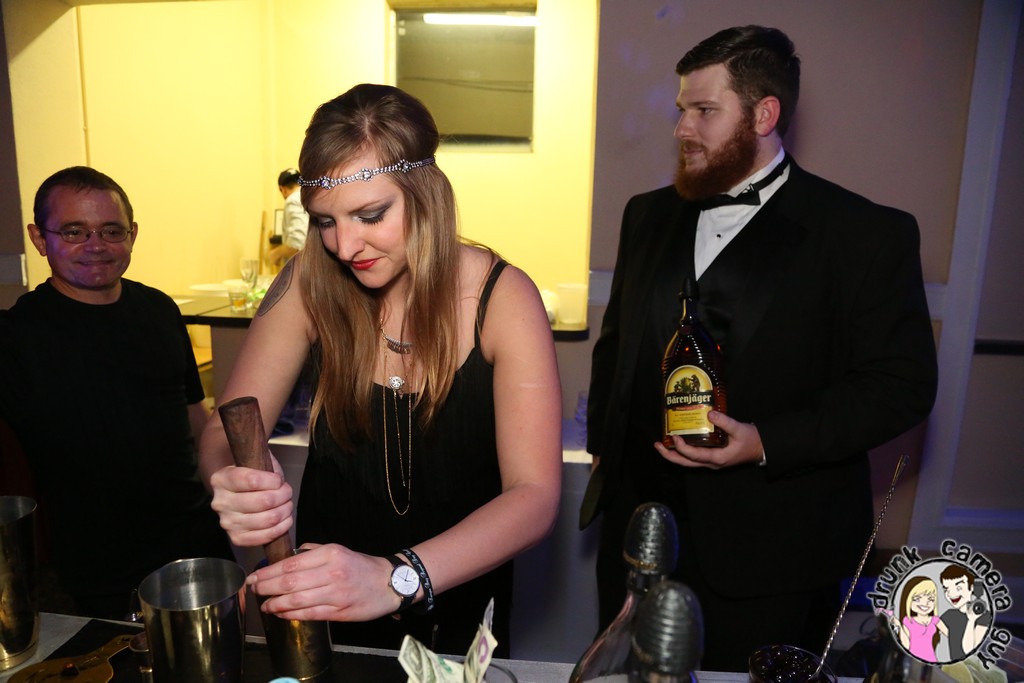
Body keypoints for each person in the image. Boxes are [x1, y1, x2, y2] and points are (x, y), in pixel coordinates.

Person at [580, 25, 938, 671]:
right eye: (681, 110)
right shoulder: (646, 215)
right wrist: (608, 452)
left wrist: (764, 441)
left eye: (704, 111)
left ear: (764, 114)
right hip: (640, 538)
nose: (682, 129)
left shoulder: (864, 233)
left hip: (776, 548)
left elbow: (900, 386)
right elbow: (617, 347)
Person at [198, 83, 562, 657]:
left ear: (427, 193)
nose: (344, 247)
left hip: (457, 613)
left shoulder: (503, 298)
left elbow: (534, 495)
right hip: (328, 611)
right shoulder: (306, 285)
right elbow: (220, 434)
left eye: (370, 215)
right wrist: (232, 482)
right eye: (324, 222)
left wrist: (396, 577)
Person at [0, 166, 234, 619]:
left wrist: (223, 499)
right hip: (92, 573)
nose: (96, 245)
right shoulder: (14, 337)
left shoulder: (160, 310)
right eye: (74, 231)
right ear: (39, 238)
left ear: (133, 234)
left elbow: (194, 418)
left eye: (111, 230)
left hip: (193, 547)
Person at [888, 576, 947, 662]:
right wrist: (899, 626)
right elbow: (906, 645)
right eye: (917, 599)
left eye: (931, 599)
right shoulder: (907, 621)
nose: (925, 603)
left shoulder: (935, 620)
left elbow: (951, 635)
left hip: (931, 659)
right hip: (912, 659)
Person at [939, 565, 991, 660]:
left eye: (958, 588)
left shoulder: (983, 616)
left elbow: (968, 650)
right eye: (946, 589)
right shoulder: (949, 614)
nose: (951, 593)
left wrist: (971, 620)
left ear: (971, 587)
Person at [266, 167, 310, 269]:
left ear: (283, 189)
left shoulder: (292, 200)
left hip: (303, 268)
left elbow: (297, 242)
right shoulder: (308, 197)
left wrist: (276, 254)